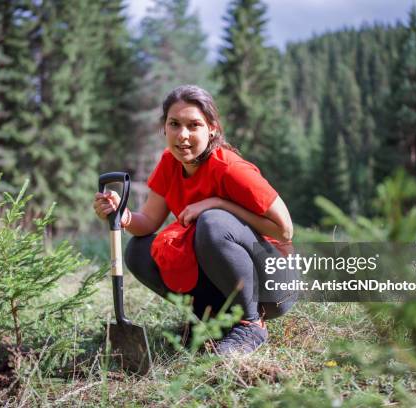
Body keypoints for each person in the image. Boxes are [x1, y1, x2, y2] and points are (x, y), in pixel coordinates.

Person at [94, 85, 297, 355]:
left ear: (212, 128)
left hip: (273, 285)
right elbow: (148, 222)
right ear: (164, 128)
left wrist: (220, 203)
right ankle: (213, 321)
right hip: (224, 283)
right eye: (174, 124)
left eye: (194, 125)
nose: (183, 135)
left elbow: (284, 230)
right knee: (139, 251)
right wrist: (121, 213)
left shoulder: (230, 169)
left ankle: (250, 324)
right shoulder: (170, 163)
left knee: (212, 222)